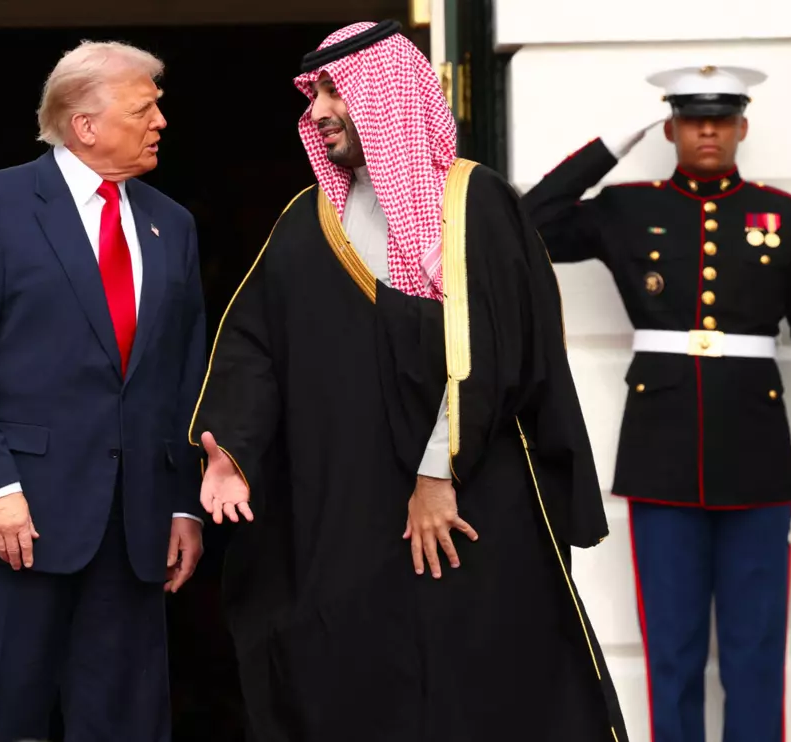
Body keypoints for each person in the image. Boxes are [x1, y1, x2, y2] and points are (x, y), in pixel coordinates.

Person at [189, 20, 628, 742]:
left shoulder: (472, 203)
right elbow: (252, 346)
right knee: (356, 683)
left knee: (480, 690)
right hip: (350, 508)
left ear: (387, 95)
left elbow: (490, 348)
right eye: (315, 93)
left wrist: (436, 476)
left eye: (334, 89)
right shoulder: (306, 221)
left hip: (469, 503)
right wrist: (228, 449)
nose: (318, 110)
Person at [522, 65, 791, 741]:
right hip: (661, 461)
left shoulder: (787, 219)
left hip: (758, 467)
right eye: (692, 118)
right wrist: (611, 143)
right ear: (668, 128)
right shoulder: (626, 209)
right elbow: (528, 225)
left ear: (740, 128)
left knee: (755, 657)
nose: (706, 130)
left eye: (720, 119)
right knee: (670, 654)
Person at [0, 40, 207, 742]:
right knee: (6, 719)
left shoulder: (170, 223)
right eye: (145, 108)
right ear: (84, 122)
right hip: (17, 519)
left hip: (134, 523)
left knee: (126, 723)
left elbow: (182, 371)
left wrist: (182, 502)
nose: (161, 122)